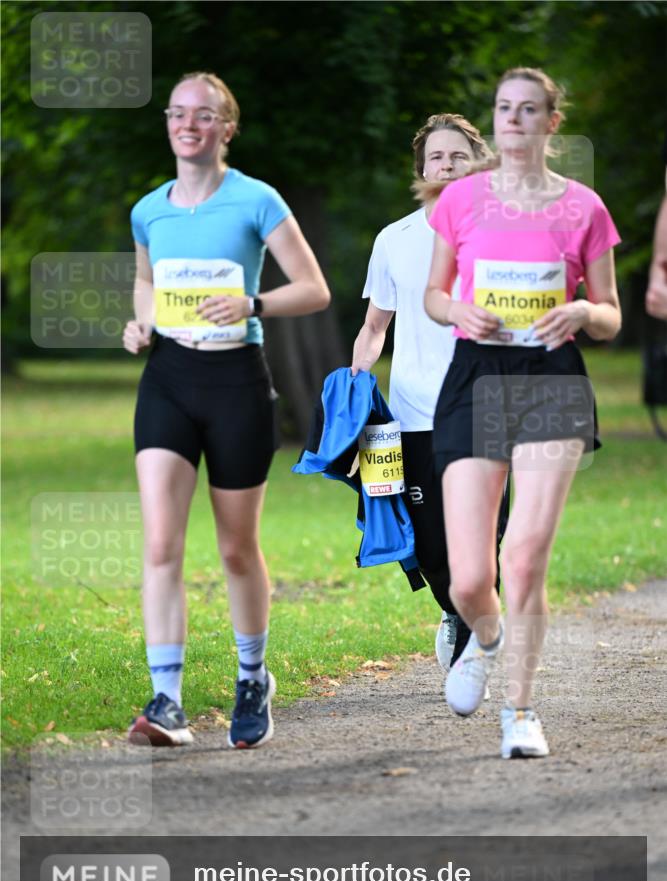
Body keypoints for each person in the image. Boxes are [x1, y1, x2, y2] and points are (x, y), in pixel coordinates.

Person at [123, 71, 330, 749]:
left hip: (237, 381)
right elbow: (146, 281)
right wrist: (140, 324)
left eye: (203, 115)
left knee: (237, 548)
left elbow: (314, 289)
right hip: (168, 379)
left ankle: (251, 676)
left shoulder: (256, 200)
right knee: (161, 544)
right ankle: (167, 700)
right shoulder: (148, 208)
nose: (188, 124)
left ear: (226, 128)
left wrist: (254, 304)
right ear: (167, 123)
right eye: (177, 114)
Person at [425, 67, 621, 759]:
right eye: (504, 108)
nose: (512, 119)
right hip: (476, 374)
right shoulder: (461, 200)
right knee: (470, 579)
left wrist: (581, 310)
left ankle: (520, 710)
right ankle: (486, 635)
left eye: (528, 109)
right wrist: (458, 310)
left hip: (551, 378)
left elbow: (609, 316)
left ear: (549, 123)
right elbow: (433, 296)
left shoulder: (583, 208)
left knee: (525, 555)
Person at [351, 113, 508, 675]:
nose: (447, 164)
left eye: (458, 156)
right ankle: (455, 614)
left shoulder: (503, 230)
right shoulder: (394, 240)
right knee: (430, 544)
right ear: (421, 169)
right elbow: (375, 327)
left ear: (478, 164)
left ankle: (475, 636)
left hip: (486, 405)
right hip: (414, 413)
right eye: (437, 157)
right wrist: (355, 387)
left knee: (488, 536)